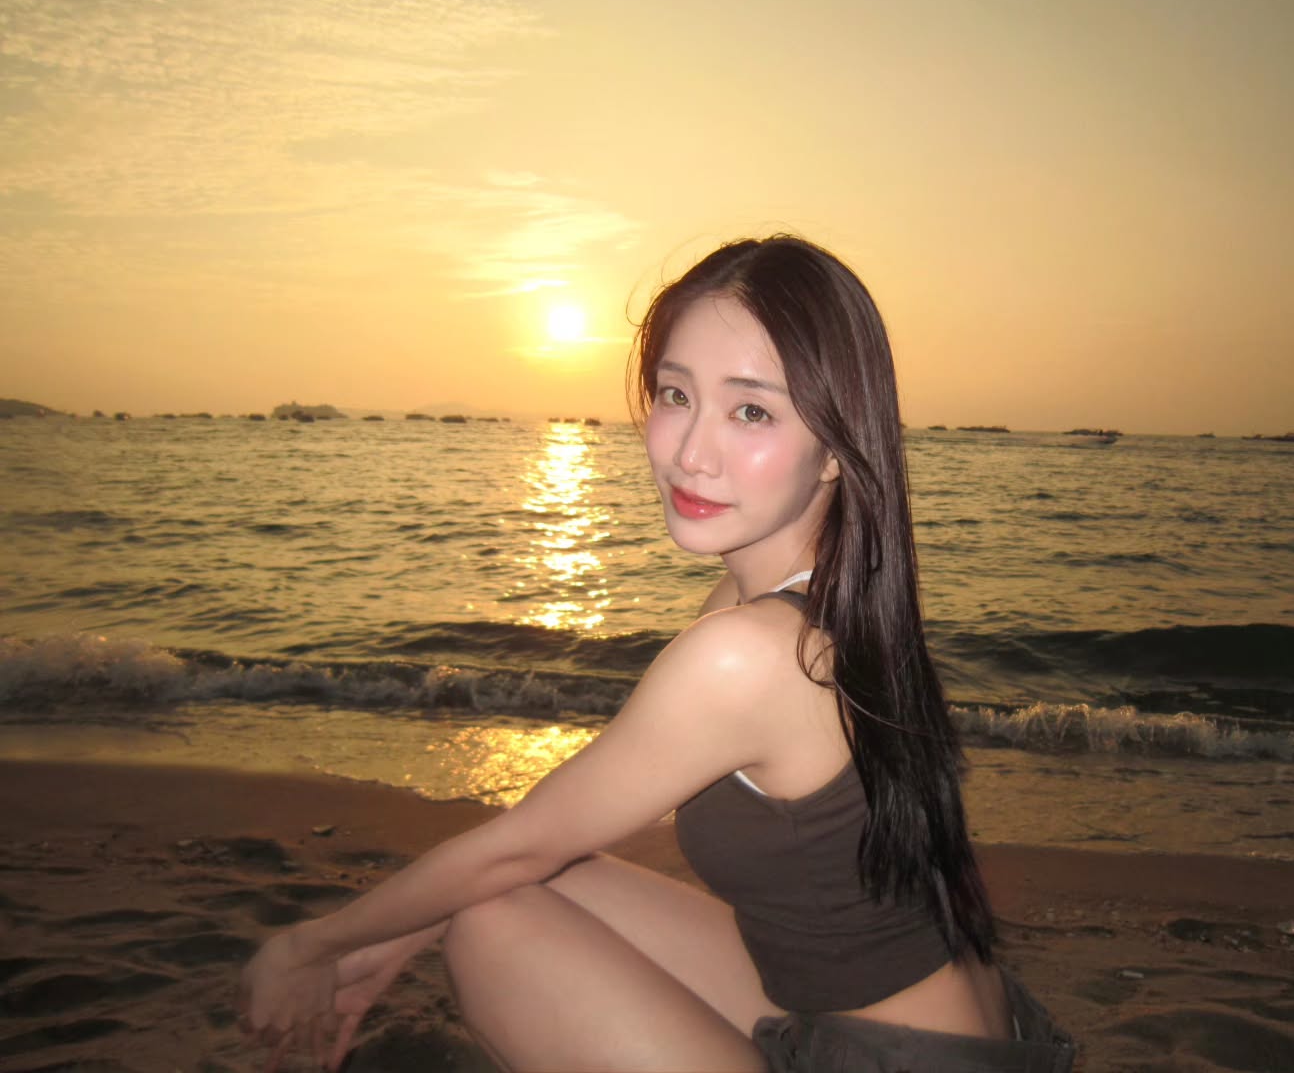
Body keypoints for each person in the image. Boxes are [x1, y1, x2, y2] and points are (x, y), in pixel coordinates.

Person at [238, 235, 1074, 1072]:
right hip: (959, 1027)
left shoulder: (751, 652)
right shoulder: (821, 594)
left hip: (898, 1060)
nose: (689, 453)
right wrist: (389, 939)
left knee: (491, 926)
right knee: (536, 881)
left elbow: (524, 842)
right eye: (677, 395)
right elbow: (552, 836)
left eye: (751, 411)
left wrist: (311, 947)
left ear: (834, 449)